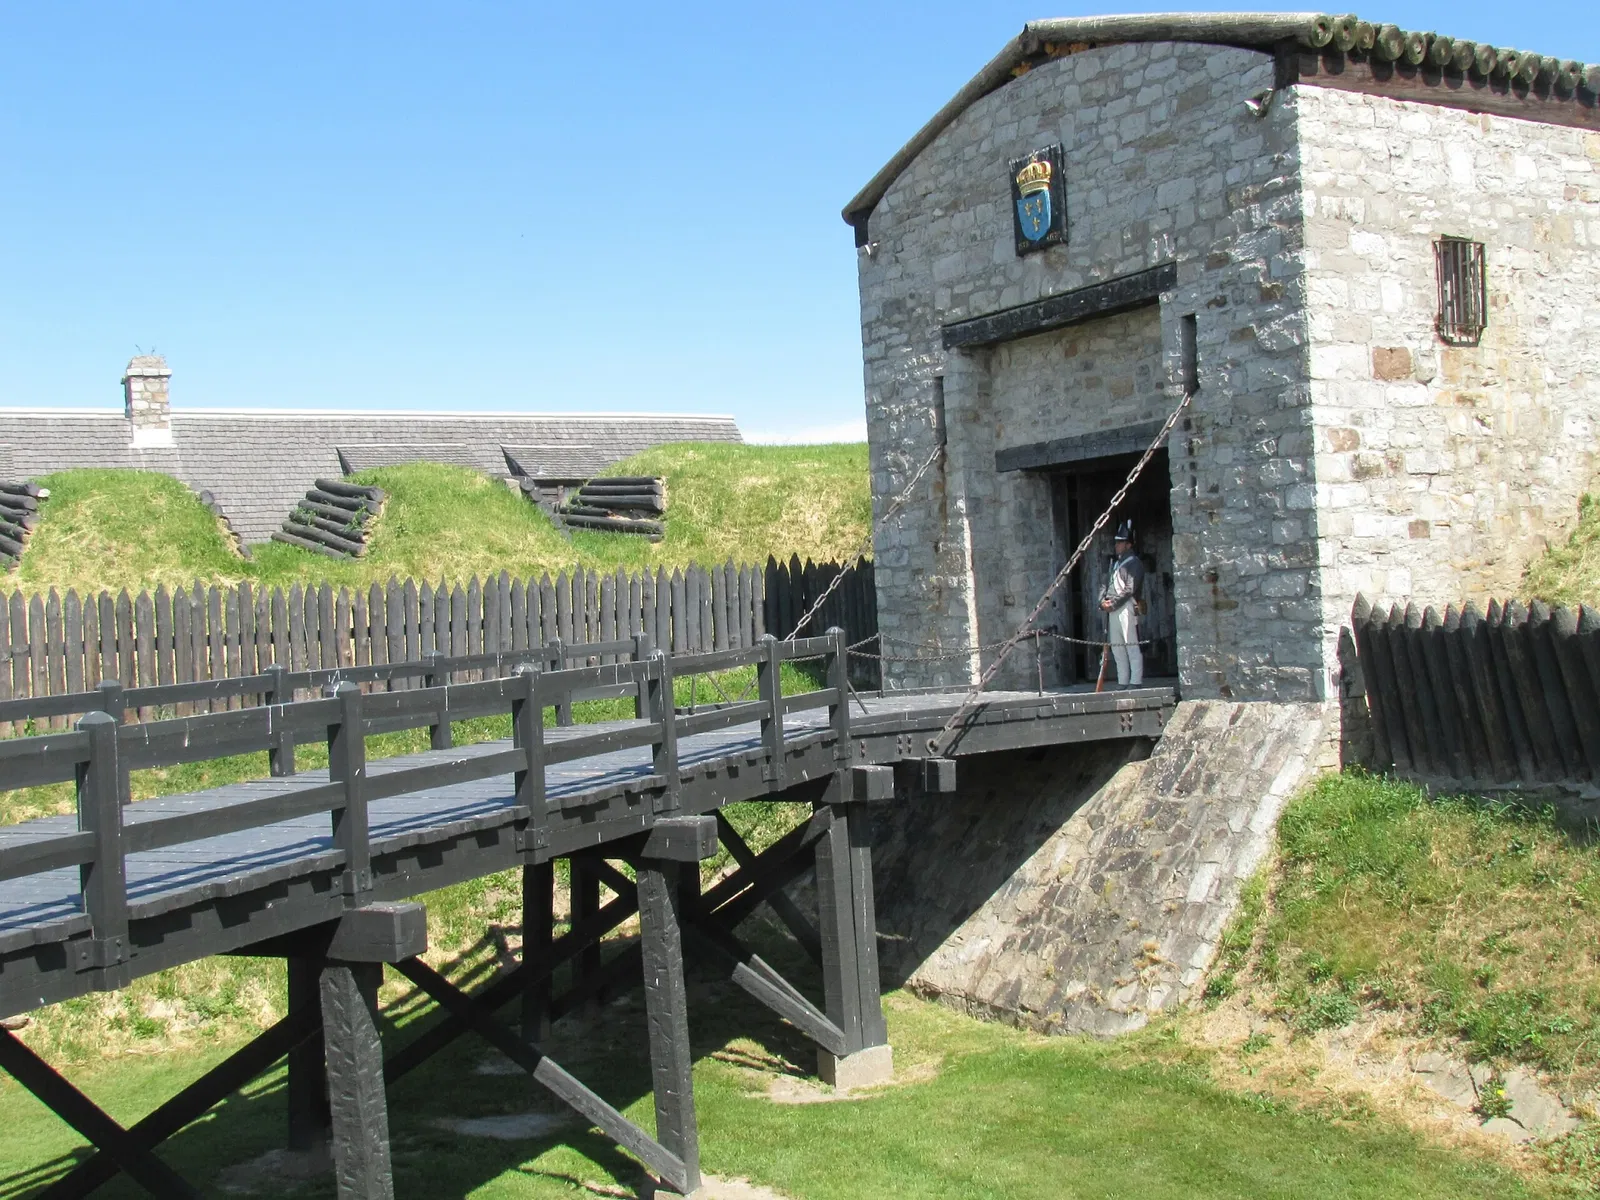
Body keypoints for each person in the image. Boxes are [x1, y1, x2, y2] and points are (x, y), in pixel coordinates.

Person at [1098, 519, 1146, 687]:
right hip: (1113, 609)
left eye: (1120, 542)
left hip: (1126, 608)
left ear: (1128, 545)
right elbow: (1106, 584)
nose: (1117, 545)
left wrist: (1113, 604)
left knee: (1131, 645)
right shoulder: (1116, 564)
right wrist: (1102, 602)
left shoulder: (1134, 563)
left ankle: (1135, 681)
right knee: (1117, 648)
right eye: (1117, 542)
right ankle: (1123, 681)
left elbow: (1129, 589)